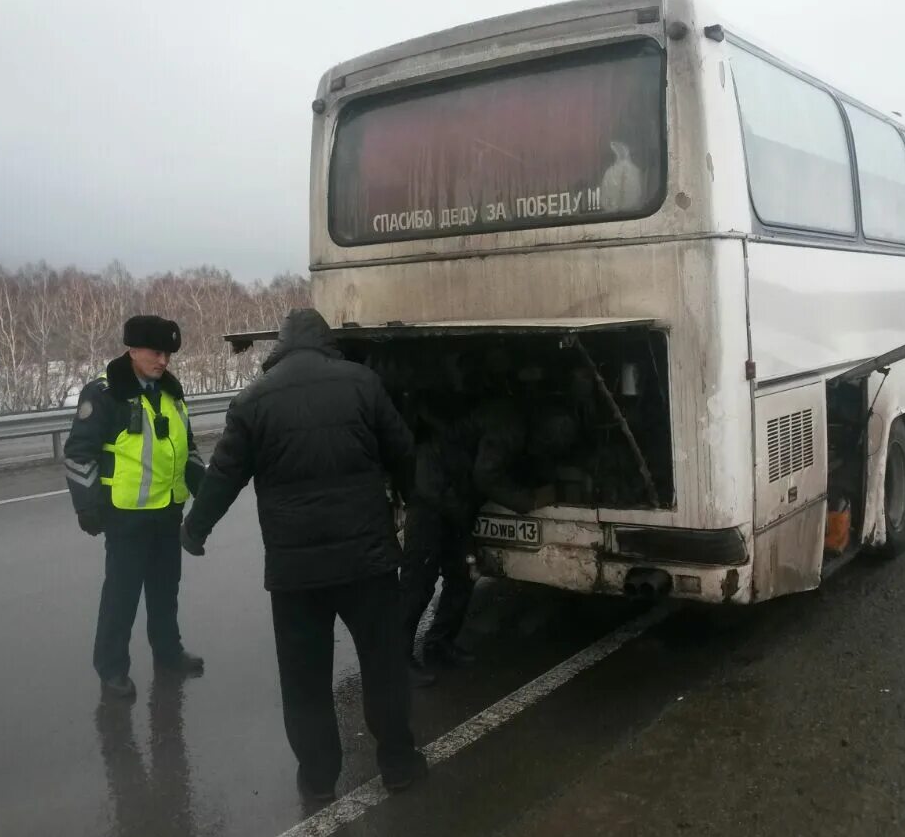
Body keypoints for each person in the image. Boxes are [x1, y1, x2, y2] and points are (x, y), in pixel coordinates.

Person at [180, 308, 426, 803]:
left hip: (296, 573)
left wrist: (195, 528)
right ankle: (398, 763)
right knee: (383, 666)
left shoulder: (252, 402)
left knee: (305, 680)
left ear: (281, 346)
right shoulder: (363, 383)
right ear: (325, 342)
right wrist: (413, 503)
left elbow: (224, 475)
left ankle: (317, 778)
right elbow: (402, 452)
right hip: (368, 562)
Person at [64, 316, 206, 700]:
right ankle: (111, 668)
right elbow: (78, 455)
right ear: (133, 350)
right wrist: (88, 506)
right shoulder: (105, 393)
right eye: (157, 352)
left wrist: (204, 488)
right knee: (121, 595)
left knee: (165, 590)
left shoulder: (172, 393)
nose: (164, 361)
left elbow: (186, 448)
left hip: (166, 513)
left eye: (169, 354)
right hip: (125, 515)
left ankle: (168, 653)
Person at [401, 395, 577, 683]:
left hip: (456, 496)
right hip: (431, 493)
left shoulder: (519, 423)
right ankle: (398, 659)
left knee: (462, 574)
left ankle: (439, 644)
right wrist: (529, 499)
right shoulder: (509, 424)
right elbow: (486, 475)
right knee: (417, 582)